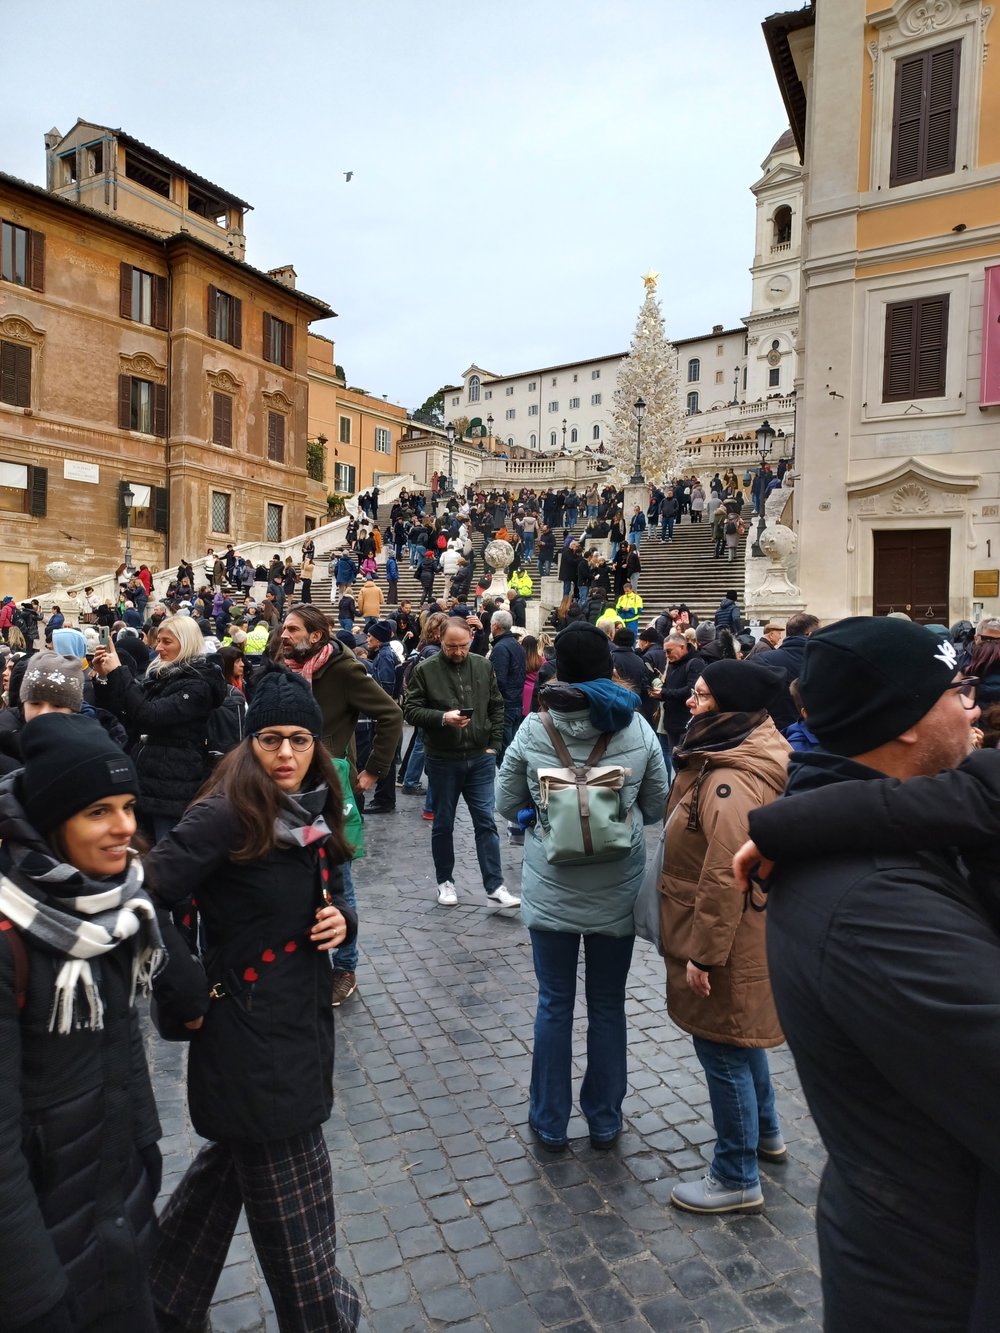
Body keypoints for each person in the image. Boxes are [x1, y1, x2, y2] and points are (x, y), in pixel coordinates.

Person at [730, 617, 994, 1327]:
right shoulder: (874, 904)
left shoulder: (881, 837)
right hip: (935, 1284)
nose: (973, 705)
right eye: (958, 688)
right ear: (906, 723)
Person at [145, 667, 360, 1333]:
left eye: (299, 738)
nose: (287, 754)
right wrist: (183, 981)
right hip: (249, 1041)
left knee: (226, 1177)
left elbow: (309, 893)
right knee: (299, 1221)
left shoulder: (308, 804)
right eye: (271, 739)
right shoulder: (222, 813)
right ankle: (323, 1321)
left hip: (294, 1026)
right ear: (249, 741)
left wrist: (338, 922)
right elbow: (146, 896)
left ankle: (160, 1293)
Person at [0, 714, 164, 1331]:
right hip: (39, 1249)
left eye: (127, 806)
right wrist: (33, 1295)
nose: (126, 827)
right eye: (99, 811)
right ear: (52, 821)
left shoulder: (118, 907)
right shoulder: (10, 936)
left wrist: (145, 1152)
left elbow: (125, 1046)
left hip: (115, 1206)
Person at [497, 622, 669, 1150]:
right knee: (608, 1004)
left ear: (556, 671)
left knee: (553, 1002)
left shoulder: (535, 729)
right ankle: (604, 1118)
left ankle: (549, 1120)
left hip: (552, 880)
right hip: (617, 882)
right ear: (608, 671)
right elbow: (658, 804)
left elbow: (504, 802)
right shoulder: (636, 728)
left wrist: (536, 811)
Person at [661, 659, 789, 1214]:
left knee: (721, 1046)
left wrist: (703, 958)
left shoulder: (729, 779)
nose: (692, 703)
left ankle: (736, 1174)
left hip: (727, 936)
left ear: (730, 708)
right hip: (745, 926)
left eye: (704, 697)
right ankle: (766, 1132)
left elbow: (722, 876)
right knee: (738, 1036)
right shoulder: (730, 755)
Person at [273, 607, 402, 1008]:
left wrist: (372, 773)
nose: (283, 634)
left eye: (292, 629)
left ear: (316, 636)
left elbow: (391, 714)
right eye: (284, 627)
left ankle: (345, 967)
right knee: (293, 873)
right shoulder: (283, 666)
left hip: (328, 792)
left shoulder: (344, 669)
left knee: (338, 880)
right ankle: (302, 963)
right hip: (285, 790)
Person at [403, 616, 518, 908]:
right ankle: (445, 881)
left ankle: (495, 886)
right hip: (443, 758)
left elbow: (496, 705)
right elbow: (411, 711)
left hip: (479, 757)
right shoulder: (426, 669)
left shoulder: (482, 664)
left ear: (470, 640)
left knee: (486, 822)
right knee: (443, 823)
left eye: (463, 646)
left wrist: (493, 746)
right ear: (440, 641)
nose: (457, 652)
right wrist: (443, 718)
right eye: (451, 647)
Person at [91, 614, 226, 841]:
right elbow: (124, 713)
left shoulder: (198, 685)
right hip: (147, 782)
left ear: (186, 643)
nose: (158, 647)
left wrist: (118, 671)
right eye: (159, 640)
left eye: (167, 642)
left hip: (172, 788)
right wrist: (105, 678)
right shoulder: (162, 676)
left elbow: (149, 715)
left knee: (164, 856)